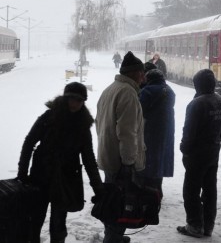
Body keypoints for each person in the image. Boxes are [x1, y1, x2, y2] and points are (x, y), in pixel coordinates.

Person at [17, 82, 103, 243]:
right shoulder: (49, 117)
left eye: (79, 100)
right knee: (34, 221)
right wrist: (22, 173)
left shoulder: (83, 125)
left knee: (58, 225)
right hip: (40, 176)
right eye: (71, 99)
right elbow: (29, 142)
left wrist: (98, 188)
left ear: (83, 101)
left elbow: (89, 159)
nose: (74, 103)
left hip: (65, 181)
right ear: (65, 98)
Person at [96, 51, 146, 243]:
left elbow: (99, 123)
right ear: (133, 73)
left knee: (111, 199)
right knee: (120, 202)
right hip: (120, 161)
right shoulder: (128, 93)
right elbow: (127, 133)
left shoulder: (111, 89)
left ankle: (113, 236)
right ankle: (113, 238)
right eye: (141, 73)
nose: (143, 77)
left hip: (109, 155)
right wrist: (128, 162)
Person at [177, 69, 221, 238]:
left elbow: (189, 132)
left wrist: (185, 148)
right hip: (213, 153)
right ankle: (208, 225)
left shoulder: (196, 104)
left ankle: (194, 225)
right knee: (209, 189)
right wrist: (214, 141)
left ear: (198, 85)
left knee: (191, 190)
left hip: (196, 155)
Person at [138, 68, 176, 197]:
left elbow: (139, 110)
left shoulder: (147, 91)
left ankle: (149, 191)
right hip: (167, 131)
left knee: (149, 162)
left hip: (151, 131)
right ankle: (158, 189)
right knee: (160, 161)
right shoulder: (170, 91)